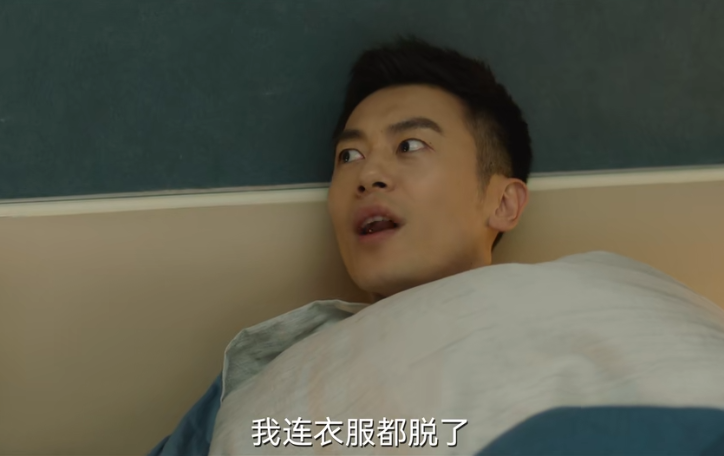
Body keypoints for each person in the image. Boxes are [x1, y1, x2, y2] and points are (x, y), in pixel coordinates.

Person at [149, 34, 531, 456]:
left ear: (504, 203)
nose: (367, 176)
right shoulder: (261, 378)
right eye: (349, 156)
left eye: (409, 145)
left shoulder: (559, 340)